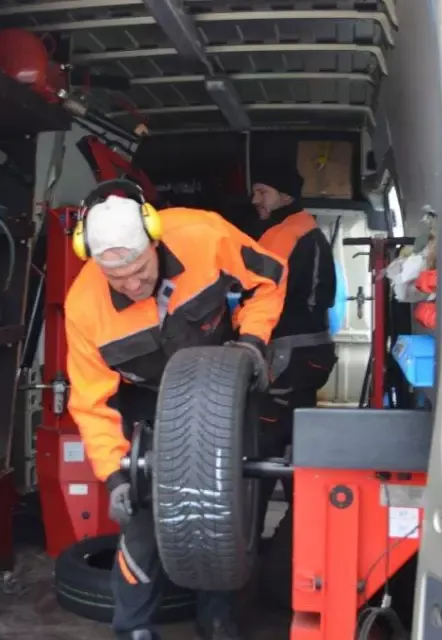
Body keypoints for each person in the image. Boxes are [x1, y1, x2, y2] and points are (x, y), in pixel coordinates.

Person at [64, 179, 288, 640]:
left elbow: (271, 278)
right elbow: (90, 401)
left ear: (154, 238)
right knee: (144, 516)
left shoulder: (203, 234)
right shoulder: (83, 308)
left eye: (139, 270)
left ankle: (216, 617)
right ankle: (133, 628)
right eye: (116, 278)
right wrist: (116, 475)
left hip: (219, 387)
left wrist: (252, 341)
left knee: (220, 512)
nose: (132, 285)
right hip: (147, 400)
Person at [248, 167, 338, 545]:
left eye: (263, 191)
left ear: (285, 196)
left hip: (289, 354)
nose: (255, 199)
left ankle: (251, 540)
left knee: (262, 443)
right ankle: (302, 538)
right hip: (310, 353)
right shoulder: (307, 229)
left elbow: (258, 287)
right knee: (295, 439)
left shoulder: (284, 235)